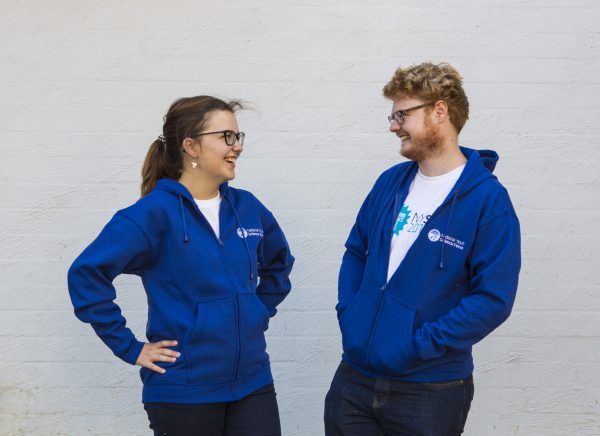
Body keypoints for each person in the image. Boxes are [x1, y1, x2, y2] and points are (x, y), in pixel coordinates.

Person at [68, 95, 294, 436]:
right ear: (191, 146)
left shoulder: (247, 207)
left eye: (238, 137)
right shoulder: (153, 214)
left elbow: (279, 263)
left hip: (252, 383)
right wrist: (130, 347)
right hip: (184, 392)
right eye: (226, 137)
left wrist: (256, 311)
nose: (237, 147)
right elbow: (86, 274)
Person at [324, 62, 521, 435]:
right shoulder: (389, 183)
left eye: (402, 114)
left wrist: (419, 345)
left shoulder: (487, 201)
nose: (393, 125)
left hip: (431, 390)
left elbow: (494, 298)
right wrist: (351, 314)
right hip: (355, 380)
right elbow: (356, 252)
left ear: (439, 111)